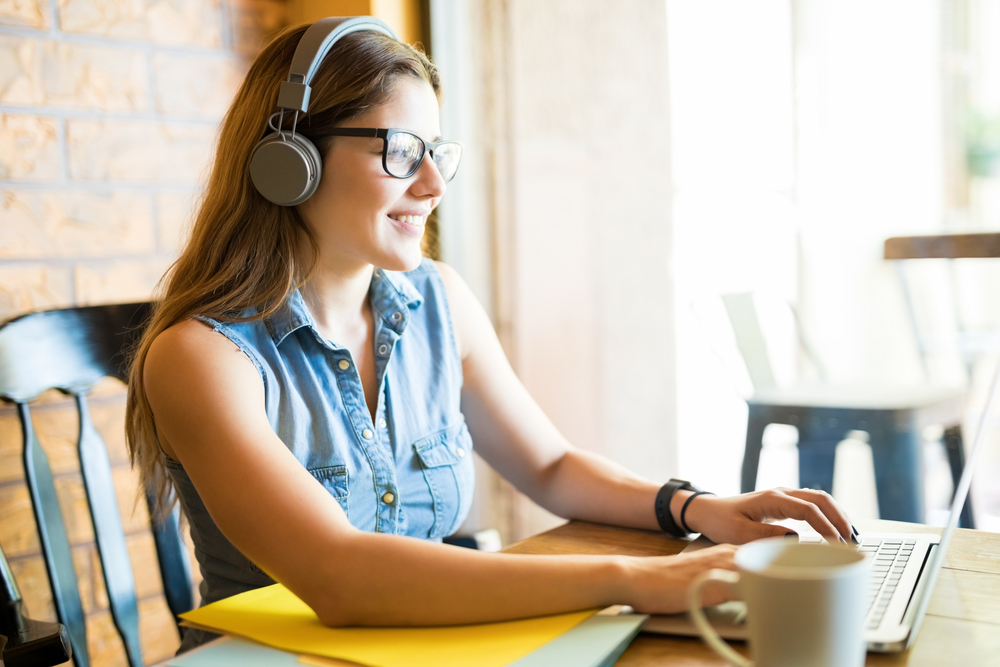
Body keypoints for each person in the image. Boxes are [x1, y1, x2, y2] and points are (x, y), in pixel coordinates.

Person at [125, 20, 855, 652]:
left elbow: (551, 465)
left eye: (437, 153)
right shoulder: (201, 357)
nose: (434, 186)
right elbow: (340, 574)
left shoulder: (437, 299)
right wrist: (638, 578)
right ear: (291, 160)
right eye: (402, 151)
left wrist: (695, 507)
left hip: (427, 645)